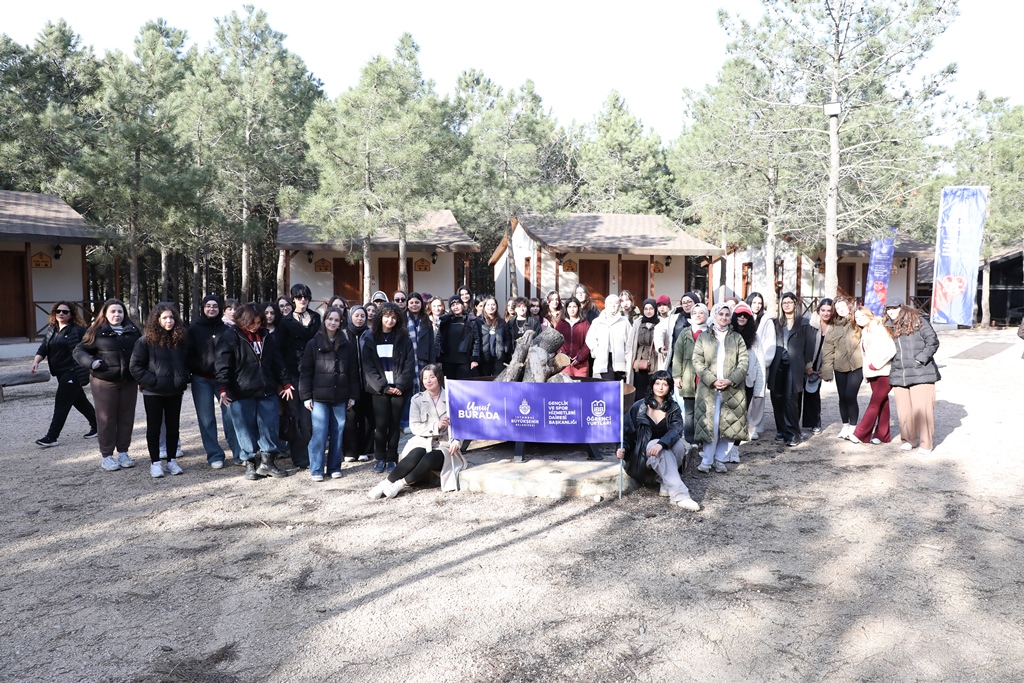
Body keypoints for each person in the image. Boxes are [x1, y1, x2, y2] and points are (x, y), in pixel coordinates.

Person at [215, 303, 294, 481]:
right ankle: (250, 462)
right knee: (244, 428)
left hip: (266, 390)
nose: (255, 326)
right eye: (252, 322)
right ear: (243, 320)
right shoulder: (230, 336)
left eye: (259, 322)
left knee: (270, 426)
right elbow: (222, 364)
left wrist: (286, 382)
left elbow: (277, 361)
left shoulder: (266, 336)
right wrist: (222, 388)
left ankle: (267, 463)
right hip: (241, 390)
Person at [367, 364, 467, 499]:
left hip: (445, 443)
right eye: (425, 378)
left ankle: (400, 484)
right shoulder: (417, 399)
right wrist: (436, 426)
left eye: (432, 377)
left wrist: (457, 441)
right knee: (416, 453)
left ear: (439, 378)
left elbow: (461, 424)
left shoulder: (452, 398)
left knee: (431, 457)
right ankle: (385, 483)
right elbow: (414, 426)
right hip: (423, 440)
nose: (428, 381)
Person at [74, 299, 142, 472]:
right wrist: (92, 362)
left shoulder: (133, 331)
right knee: (106, 418)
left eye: (120, 311)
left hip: (128, 381)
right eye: (113, 311)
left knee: (126, 418)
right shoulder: (96, 332)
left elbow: (143, 353)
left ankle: (123, 452)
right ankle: (107, 455)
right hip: (104, 381)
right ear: (105, 314)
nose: (116, 315)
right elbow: (79, 350)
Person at [617, 370, 701, 511]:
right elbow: (626, 433)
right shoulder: (639, 407)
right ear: (652, 385)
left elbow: (676, 430)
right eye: (657, 383)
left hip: (661, 450)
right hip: (642, 456)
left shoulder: (673, 408)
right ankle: (681, 496)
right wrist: (622, 447)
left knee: (678, 446)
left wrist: (661, 444)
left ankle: (664, 482)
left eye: (665, 384)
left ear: (670, 387)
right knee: (657, 447)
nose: (660, 387)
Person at [299, 306, 359, 482]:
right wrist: (306, 396)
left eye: (336, 320)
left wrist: (353, 396)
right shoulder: (313, 343)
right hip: (319, 397)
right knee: (319, 433)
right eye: (330, 319)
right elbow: (306, 372)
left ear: (340, 323)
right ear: (324, 320)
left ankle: (334, 467)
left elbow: (353, 372)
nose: (332, 322)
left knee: (338, 433)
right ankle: (316, 468)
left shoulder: (347, 345)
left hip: (340, 396)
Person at [130, 303, 190, 478]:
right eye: (164, 318)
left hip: (175, 391)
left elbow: (188, 362)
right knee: (154, 428)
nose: (169, 321)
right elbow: (135, 366)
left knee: (173, 428)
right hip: (153, 392)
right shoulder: (145, 341)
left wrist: (184, 377)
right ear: (156, 320)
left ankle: (171, 461)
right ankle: (155, 463)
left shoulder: (180, 341)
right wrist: (152, 381)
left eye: (171, 317)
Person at [692, 302, 749, 472]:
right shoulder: (704, 337)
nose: (724, 317)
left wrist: (731, 380)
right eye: (720, 314)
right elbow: (697, 361)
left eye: (727, 314)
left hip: (732, 389)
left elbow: (743, 362)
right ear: (714, 315)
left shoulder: (737, 338)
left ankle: (720, 459)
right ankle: (707, 460)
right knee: (711, 424)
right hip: (709, 388)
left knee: (729, 424)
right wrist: (712, 380)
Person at [31, 302, 97, 448]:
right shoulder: (52, 330)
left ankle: (52, 437)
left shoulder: (78, 330)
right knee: (79, 401)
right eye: (58, 311)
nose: (61, 313)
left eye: (65, 312)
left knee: (61, 403)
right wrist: (36, 362)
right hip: (60, 373)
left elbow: (90, 347)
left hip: (73, 372)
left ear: (71, 314)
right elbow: (43, 348)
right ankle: (98, 425)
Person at [186, 294, 239, 468]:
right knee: (206, 418)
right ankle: (214, 454)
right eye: (208, 306)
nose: (211, 309)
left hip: (225, 379)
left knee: (231, 416)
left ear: (220, 309)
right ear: (203, 308)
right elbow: (188, 354)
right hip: (201, 378)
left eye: (215, 306)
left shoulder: (227, 329)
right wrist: (200, 366)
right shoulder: (194, 329)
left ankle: (239, 452)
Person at [362, 302, 415, 473]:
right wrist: (383, 387)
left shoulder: (403, 338)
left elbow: (409, 364)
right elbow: (368, 367)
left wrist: (400, 385)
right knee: (381, 424)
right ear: (380, 317)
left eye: (393, 317)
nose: (390, 320)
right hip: (379, 390)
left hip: (399, 389)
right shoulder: (370, 337)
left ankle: (391, 458)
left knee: (394, 424)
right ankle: (380, 458)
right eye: (387, 316)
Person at [885, 297, 941, 453]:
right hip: (899, 372)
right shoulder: (888, 325)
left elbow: (932, 341)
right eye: (888, 309)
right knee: (904, 411)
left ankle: (926, 444)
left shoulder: (918, 320)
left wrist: (921, 358)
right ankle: (909, 439)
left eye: (894, 308)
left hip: (920, 372)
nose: (891, 312)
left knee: (923, 410)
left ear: (902, 307)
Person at [276, 283, 321, 469]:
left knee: (310, 418)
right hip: (293, 374)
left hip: (314, 373)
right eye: (299, 297)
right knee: (295, 417)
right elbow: (279, 352)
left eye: (306, 297)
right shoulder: (285, 322)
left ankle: (314, 453)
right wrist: (284, 381)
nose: (303, 300)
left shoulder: (316, 318)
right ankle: (300, 457)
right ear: (293, 299)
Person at [768, 292, 814, 446]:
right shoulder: (775, 323)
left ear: (795, 304)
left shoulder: (804, 323)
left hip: (795, 365)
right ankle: (781, 430)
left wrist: (808, 363)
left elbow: (809, 345)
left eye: (789, 302)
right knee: (777, 397)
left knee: (790, 398)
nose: (786, 305)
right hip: (777, 364)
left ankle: (794, 433)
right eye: (784, 303)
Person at [849, 307, 896, 444]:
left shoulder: (879, 328)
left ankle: (860, 433)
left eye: (862, 316)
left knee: (874, 403)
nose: (859, 319)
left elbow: (891, 349)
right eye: (857, 318)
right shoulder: (865, 330)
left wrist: (876, 364)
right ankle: (882, 435)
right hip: (873, 372)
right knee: (882, 402)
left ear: (869, 315)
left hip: (884, 371)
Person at [821, 296, 863, 440]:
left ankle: (853, 427)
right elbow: (828, 350)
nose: (840, 310)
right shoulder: (833, 327)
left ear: (848, 306)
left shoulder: (856, 321)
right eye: (837, 308)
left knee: (851, 395)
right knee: (842, 397)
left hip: (857, 365)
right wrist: (827, 371)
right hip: (840, 367)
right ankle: (845, 425)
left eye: (843, 306)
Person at [672, 303, 710, 446]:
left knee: (705, 410)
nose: (698, 315)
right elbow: (678, 355)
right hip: (688, 376)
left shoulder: (711, 332)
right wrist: (677, 375)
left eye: (701, 313)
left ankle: (703, 439)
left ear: (706, 315)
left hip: (705, 377)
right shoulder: (685, 332)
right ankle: (690, 440)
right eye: (695, 313)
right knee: (689, 412)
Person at [727, 302, 760, 463]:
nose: (742, 317)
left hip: (747, 382)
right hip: (729, 381)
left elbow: (759, 363)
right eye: (739, 314)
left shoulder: (755, 337)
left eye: (745, 315)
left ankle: (735, 449)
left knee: (741, 417)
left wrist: (759, 389)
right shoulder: (727, 333)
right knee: (726, 415)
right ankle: (722, 449)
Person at [343, 306, 374, 462]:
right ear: (351, 316)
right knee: (350, 417)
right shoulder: (344, 334)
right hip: (349, 381)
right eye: (357, 315)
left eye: (362, 316)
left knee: (367, 418)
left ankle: (365, 450)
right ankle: (350, 451)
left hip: (368, 382)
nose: (360, 319)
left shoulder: (370, 333)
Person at [745, 292, 776, 440]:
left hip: (762, 363)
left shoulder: (766, 321)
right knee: (743, 395)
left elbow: (770, 342)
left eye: (759, 303)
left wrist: (765, 362)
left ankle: (754, 426)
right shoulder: (743, 317)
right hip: (744, 363)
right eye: (754, 302)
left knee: (758, 396)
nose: (757, 305)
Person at [802, 298, 833, 435]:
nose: (826, 313)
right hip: (805, 361)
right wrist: (807, 365)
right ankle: (794, 424)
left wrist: (825, 369)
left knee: (813, 394)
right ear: (818, 310)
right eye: (823, 310)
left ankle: (814, 423)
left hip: (820, 365)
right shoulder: (809, 323)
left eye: (829, 311)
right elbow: (803, 344)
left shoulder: (834, 326)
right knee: (798, 394)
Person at [586, 294, 630, 380]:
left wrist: (627, 354)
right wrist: (596, 351)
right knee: (609, 383)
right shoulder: (597, 321)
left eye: (616, 303)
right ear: (606, 305)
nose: (613, 305)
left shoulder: (624, 321)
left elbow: (630, 339)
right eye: (610, 303)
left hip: (620, 358)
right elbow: (590, 338)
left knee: (619, 384)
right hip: (603, 358)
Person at [436, 297, 480, 379]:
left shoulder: (471, 320)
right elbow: (439, 340)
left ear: (462, 305)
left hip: (464, 361)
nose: (456, 307)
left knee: (463, 384)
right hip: (447, 361)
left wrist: (474, 359)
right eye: (453, 305)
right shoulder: (445, 321)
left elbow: (476, 341)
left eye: (458, 304)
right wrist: (438, 359)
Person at [625, 298, 660, 400]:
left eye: (651, 309)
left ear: (655, 309)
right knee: (640, 389)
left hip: (655, 360)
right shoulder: (638, 323)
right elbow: (630, 342)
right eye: (646, 309)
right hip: (639, 360)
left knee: (654, 388)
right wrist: (628, 356)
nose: (648, 311)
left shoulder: (661, 323)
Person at [406, 292, 435, 392]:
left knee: (424, 385)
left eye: (417, 302)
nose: (414, 305)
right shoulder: (402, 320)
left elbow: (431, 344)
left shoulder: (427, 320)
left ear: (421, 304)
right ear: (407, 305)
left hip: (423, 359)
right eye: (411, 303)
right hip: (408, 359)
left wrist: (432, 364)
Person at [556, 297, 591, 378]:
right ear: (566, 308)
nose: (572, 309)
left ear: (578, 308)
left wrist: (580, 357)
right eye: (569, 307)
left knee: (580, 385)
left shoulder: (585, 323)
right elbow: (557, 341)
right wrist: (565, 355)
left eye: (574, 307)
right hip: (564, 363)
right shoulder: (561, 323)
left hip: (581, 364)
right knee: (565, 385)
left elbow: (589, 342)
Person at [475, 296, 509, 377]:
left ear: (496, 306)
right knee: (484, 381)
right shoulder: (478, 322)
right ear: (484, 307)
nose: (491, 307)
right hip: (483, 359)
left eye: (493, 304)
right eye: (488, 305)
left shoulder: (502, 322)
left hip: (498, 358)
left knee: (498, 381)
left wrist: (504, 349)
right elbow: (475, 339)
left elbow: (507, 338)